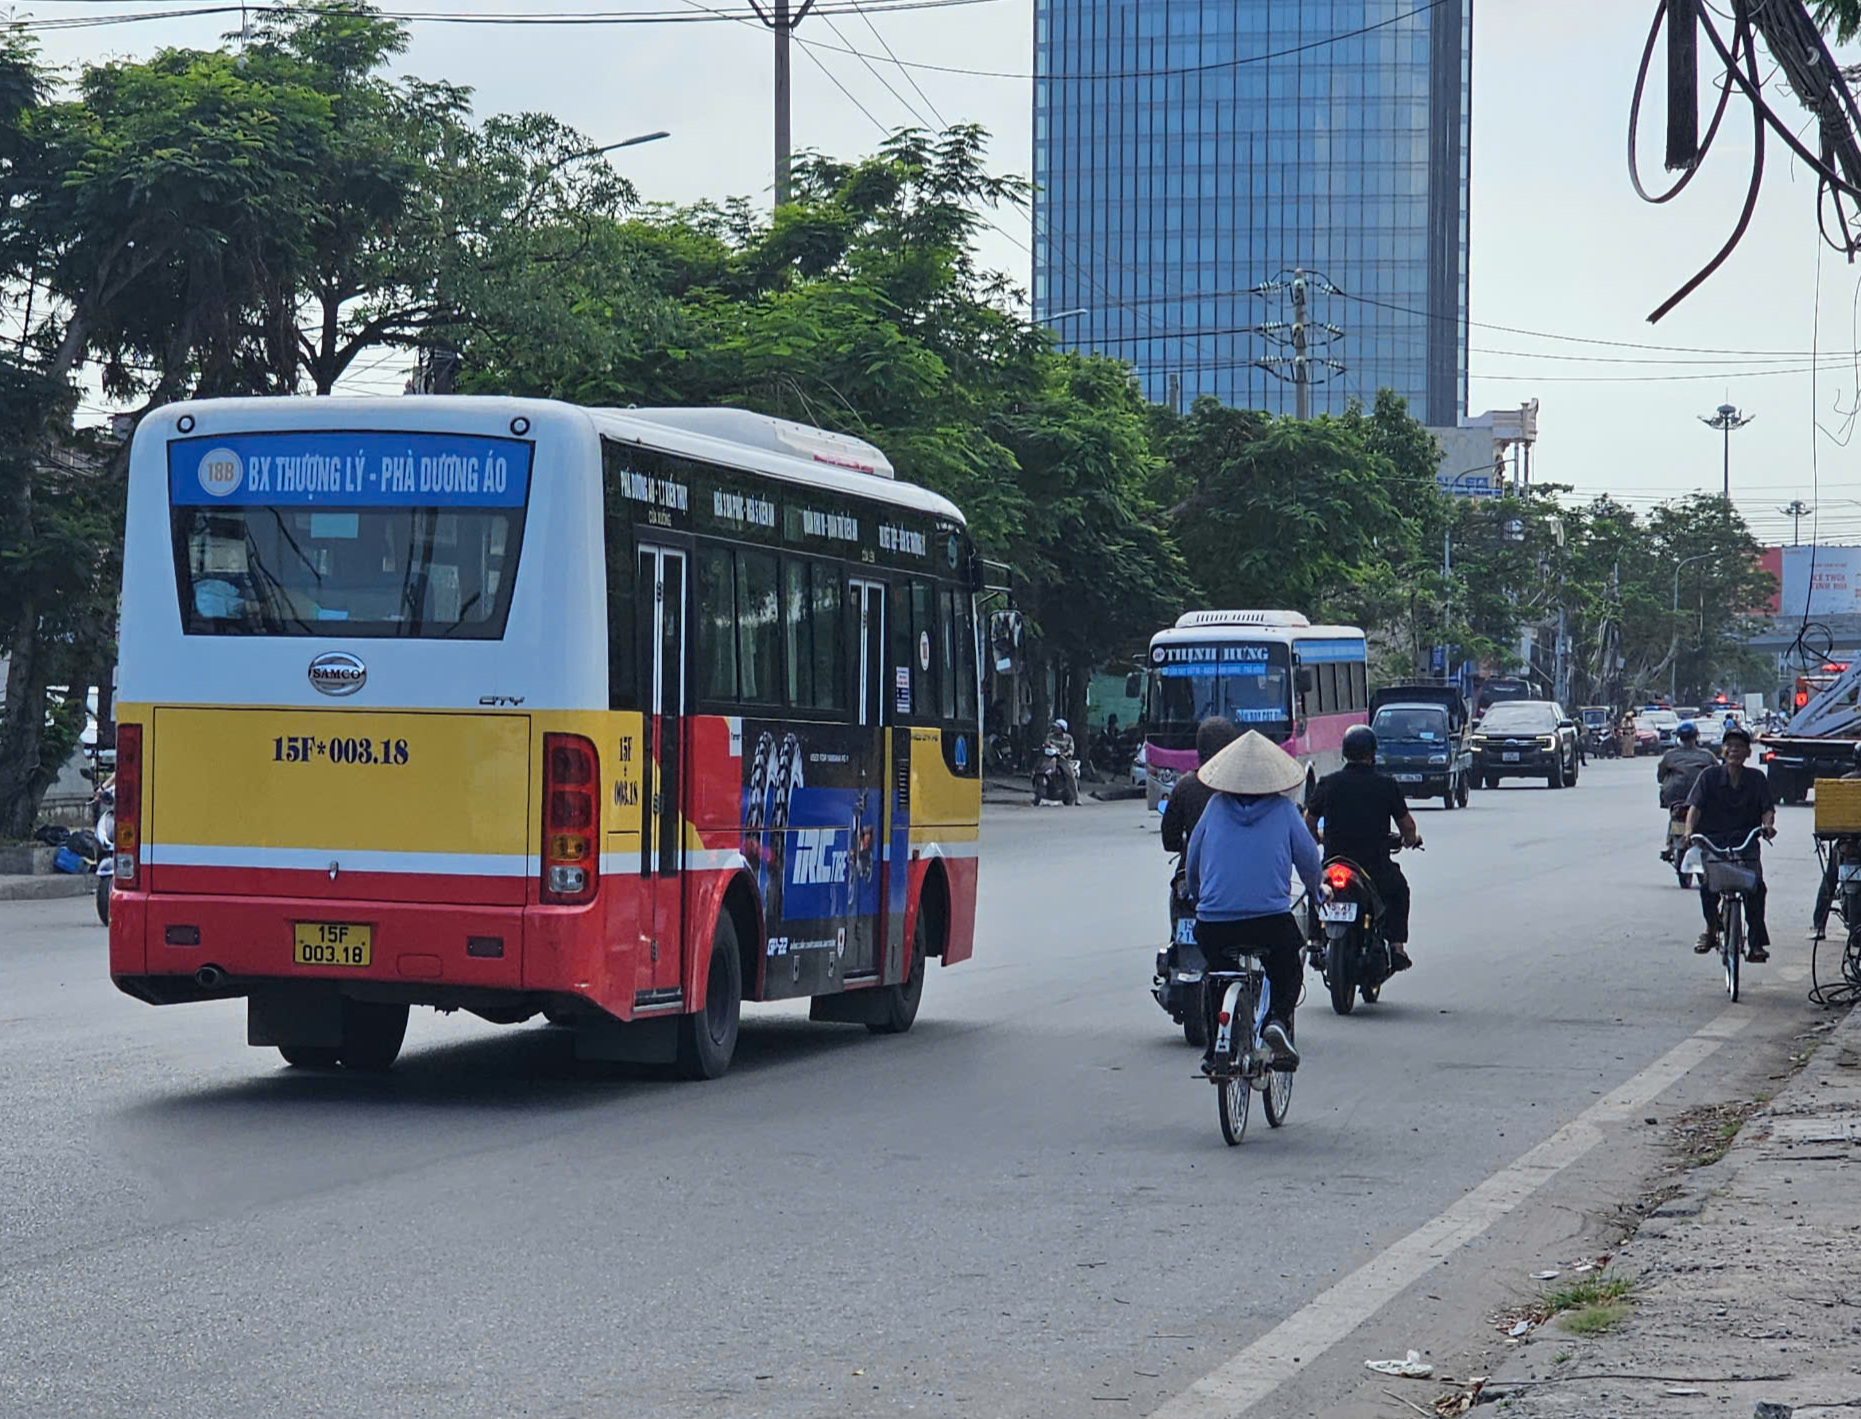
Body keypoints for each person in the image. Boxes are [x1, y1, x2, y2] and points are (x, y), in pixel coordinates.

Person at [1184, 731, 1323, 1074]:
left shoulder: (1215, 807)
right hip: (1269, 922)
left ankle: (1215, 1051)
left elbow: (1192, 861)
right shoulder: (1284, 810)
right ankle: (1277, 1020)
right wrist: (1317, 892)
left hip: (1214, 923)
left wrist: (1201, 900)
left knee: (1218, 973)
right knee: (1287, 965)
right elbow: (1309, 861)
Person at [1305, 724, 1423, 970]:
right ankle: (1397, 947)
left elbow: (1309, 821)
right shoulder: (1386, 785)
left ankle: (1315, 941)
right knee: (1399, 891)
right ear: (1372, 753)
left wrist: (1317, 837)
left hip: (1334, 862)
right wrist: (1410, 840)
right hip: (1374, 868)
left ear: (1344, 753)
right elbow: (1407, 827)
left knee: (1316, 888)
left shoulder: (1328, 783)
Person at [1683, 722, 1777, 962]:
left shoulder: (1756, 779)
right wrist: (1688, 831)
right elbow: (1695, 807)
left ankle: (1756, 943)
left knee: (1756, 889)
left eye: (1740, 746)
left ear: (1748, 753)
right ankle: (1711, 928)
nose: (1734, 750)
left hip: (1745, 842)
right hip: (1714, 842)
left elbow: (1767, 809)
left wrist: (1767, 826)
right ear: (1723, 751)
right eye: (1730, 746)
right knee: (1708, 888)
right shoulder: (1709, 776)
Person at [1160, 716, 1240, 854]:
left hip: (1197, 861)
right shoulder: (1246, 784)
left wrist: (1191, 846)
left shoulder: (1185, 786)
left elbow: (1170, 841)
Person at [1810, 740, 1861, 940]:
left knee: (1829, 881)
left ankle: (1818, 925)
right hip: (1850, 842)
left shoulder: (1845, 780)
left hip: (1846, 841)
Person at [1656, 722, 1717, 859]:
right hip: (1700, 798)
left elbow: (1660, 776)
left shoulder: (1670, 755)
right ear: (1696, 736)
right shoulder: (1706, 755)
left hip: (1675, 797)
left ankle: (1670, 845)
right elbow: (1718, 773)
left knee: (1675, 816)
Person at [1047, 718, 1079, 803]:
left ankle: (1076, 798)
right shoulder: (1050, 736)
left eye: (1057, 727)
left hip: (1063, 759)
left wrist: (1066, 754)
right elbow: (1046, 743)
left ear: (1062, 729)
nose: (1054, 729)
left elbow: (1071, 750)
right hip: (1050, 758)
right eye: (1054, 727)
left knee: (1071, 775)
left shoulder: (1069, 738)